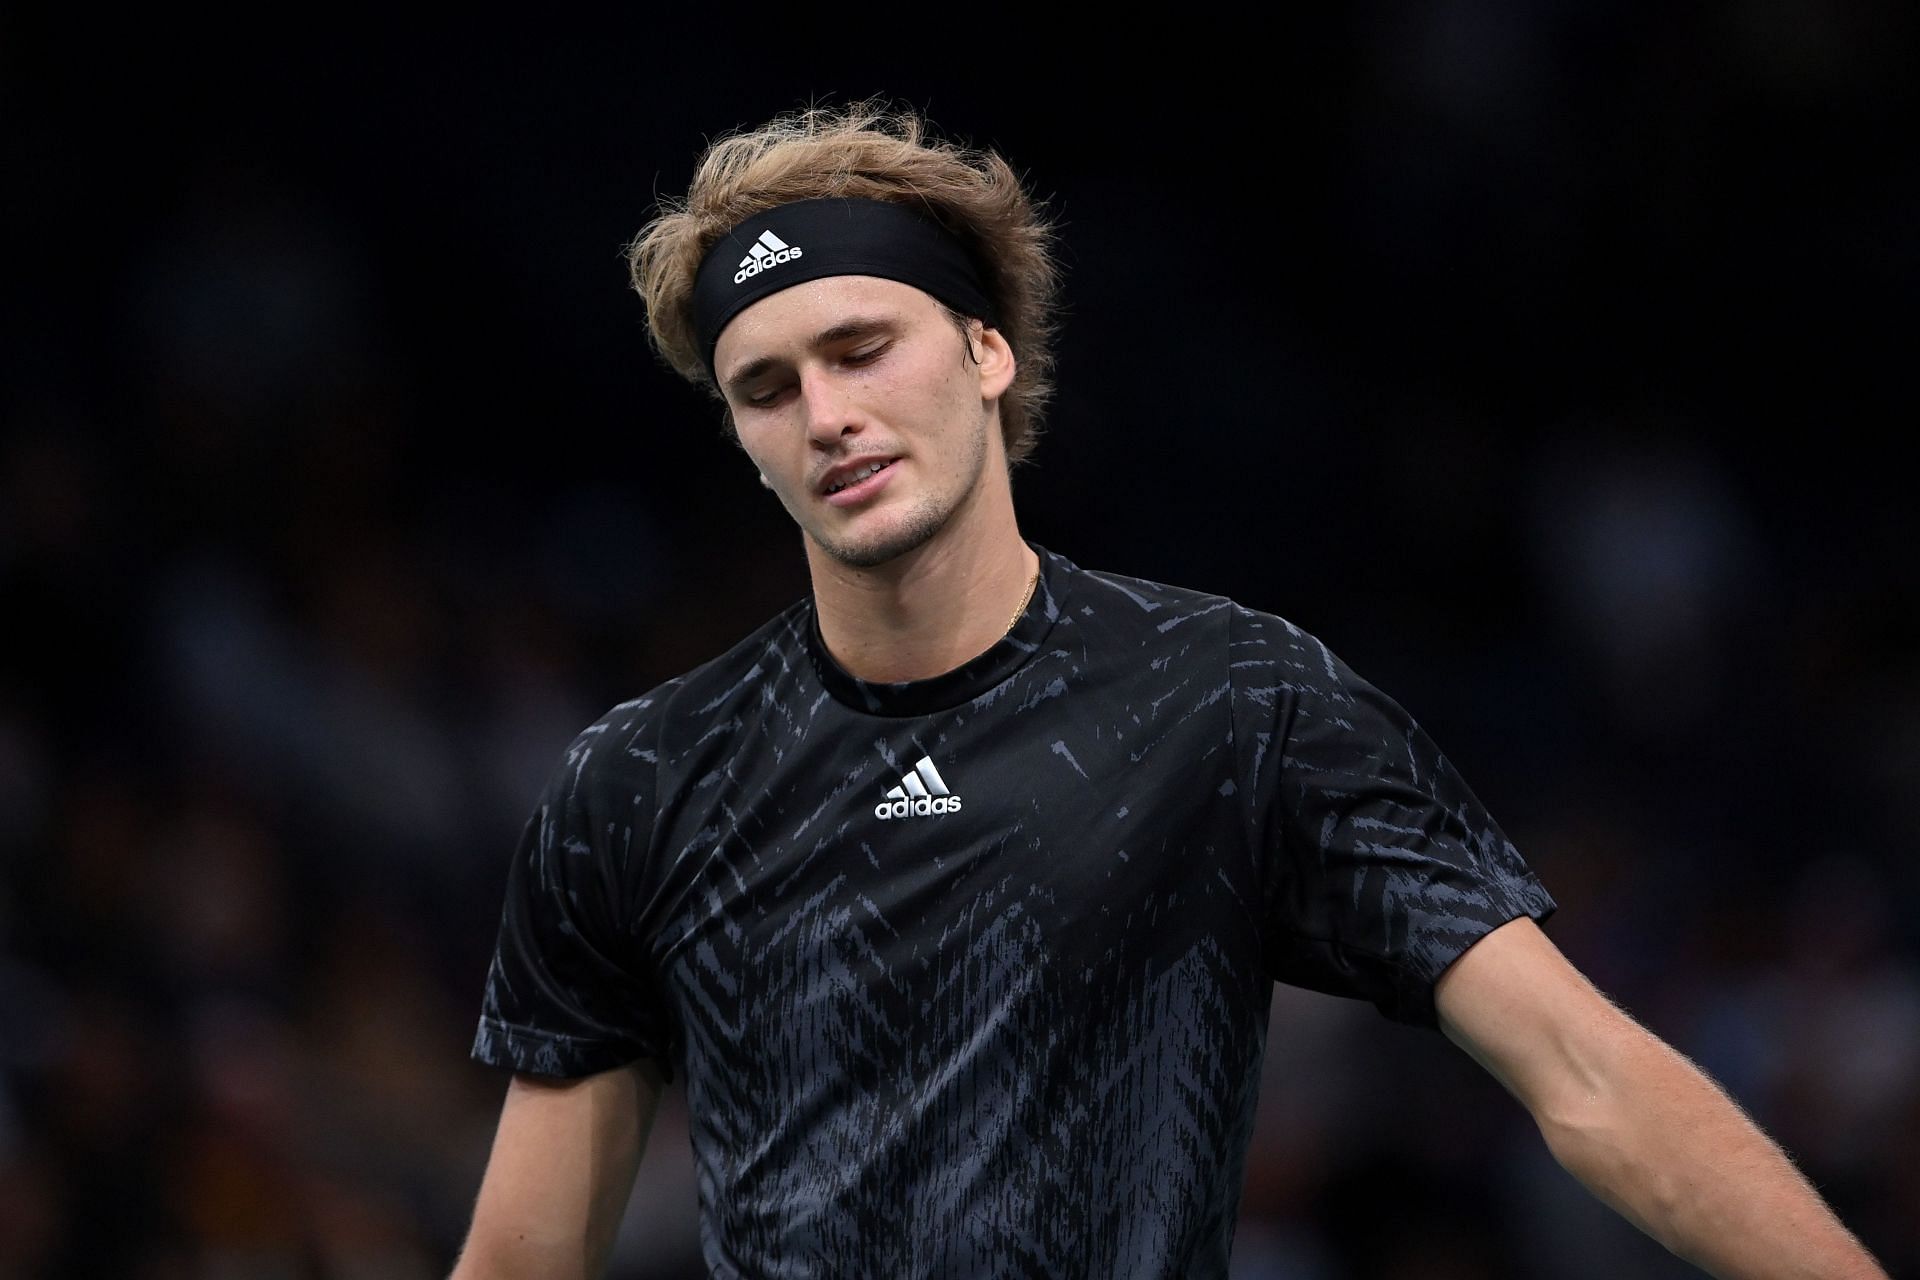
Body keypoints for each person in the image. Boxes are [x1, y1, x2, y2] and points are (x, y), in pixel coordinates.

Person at [453, 103, 1886, 1279]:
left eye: (862, 348)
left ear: (986, 352)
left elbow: (1590, 1078)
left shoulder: (1232, 700)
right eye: (766, 387)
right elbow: (525, 1258)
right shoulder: (640, 780)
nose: (825, 415)